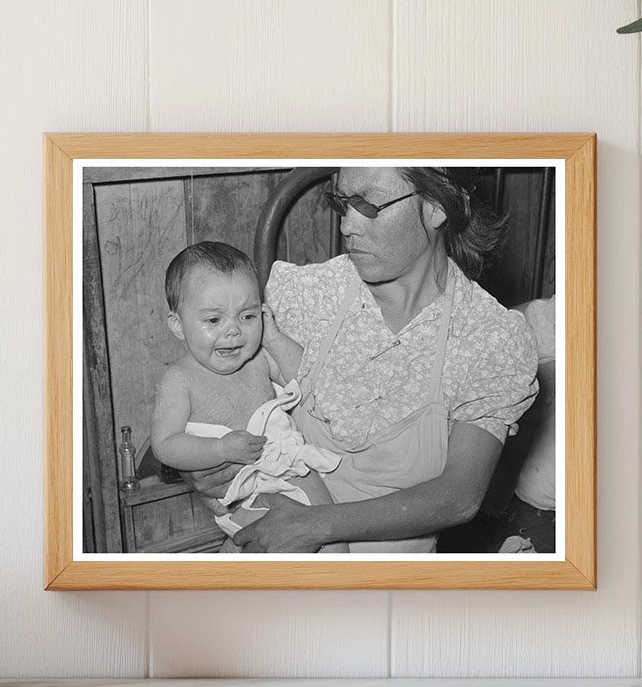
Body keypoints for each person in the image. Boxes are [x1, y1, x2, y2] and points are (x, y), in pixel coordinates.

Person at [223, 165, 540, 553]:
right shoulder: (308, 296)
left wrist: (313, 526)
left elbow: (459, 496)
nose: (347, 226)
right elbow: (213, 394)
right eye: (343, 203)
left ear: (437, 206)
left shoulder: (488, 337)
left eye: (369, 205)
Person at [150, 242, 348, 552]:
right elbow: (165, 444)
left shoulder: (257, 358)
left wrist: (274, 338)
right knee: (262, 558)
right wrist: (219, 449)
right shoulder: (180, 380)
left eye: (247, 316)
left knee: (333, 547)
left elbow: (306, 379)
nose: (233, 332)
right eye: (214, 320)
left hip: (290, 469)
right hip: (241, 495)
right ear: (178, 325)